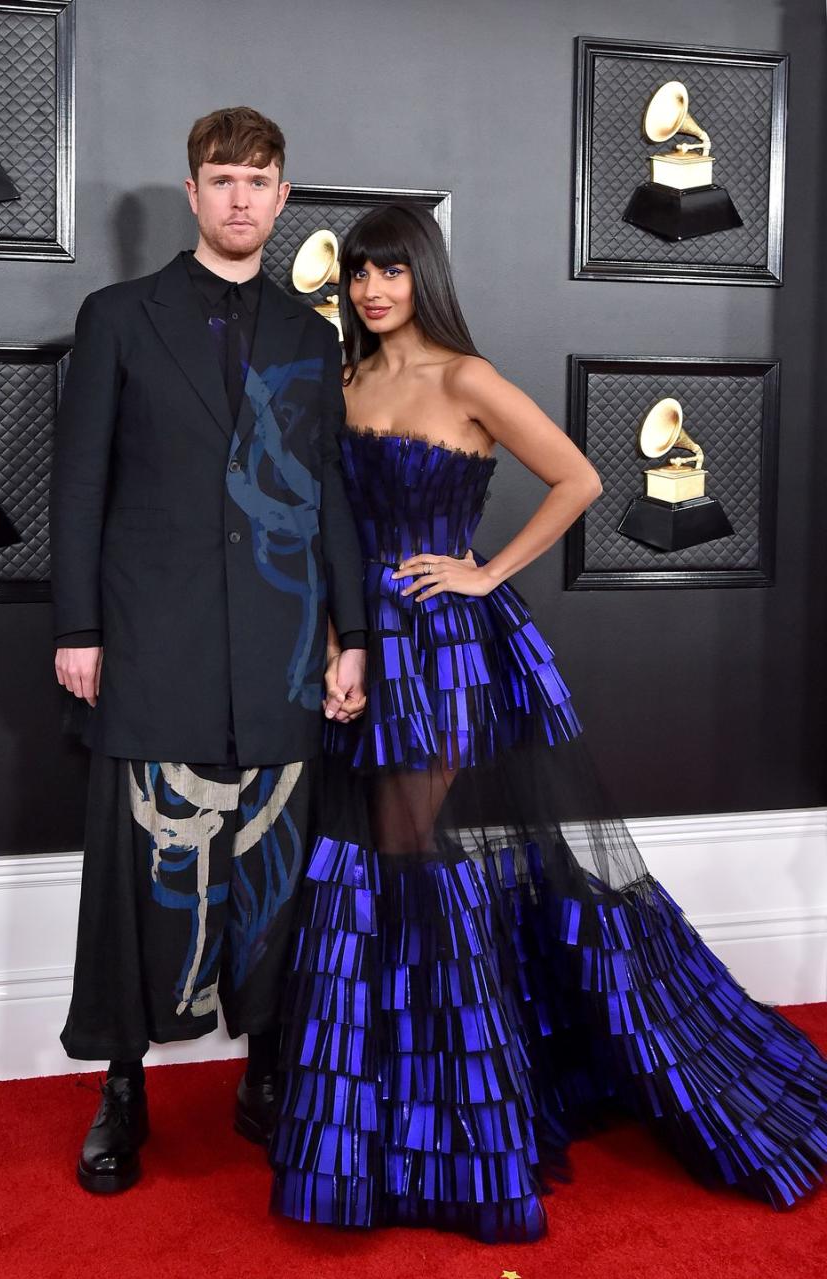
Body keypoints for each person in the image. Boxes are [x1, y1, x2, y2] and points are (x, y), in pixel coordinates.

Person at [269, 202, 827, 1242]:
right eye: (358, 274)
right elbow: (328, 527)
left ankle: (452, 1131)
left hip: (444, 656)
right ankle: (396, 1117)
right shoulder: (342, 382)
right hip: (363, 650)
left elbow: (580, 478)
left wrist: (484, 574)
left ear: (422, 274)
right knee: (385, 871)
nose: (373, 290)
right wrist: (344, 639)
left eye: (391, 271)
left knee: (417, 862)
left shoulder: (466, 378)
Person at [50, 106, 367, 1195]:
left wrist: (351, 635)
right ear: (192, 192)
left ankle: (266, 1071)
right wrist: (77, 626)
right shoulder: (117, 319)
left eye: (260, 181)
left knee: (275, 871)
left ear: (284, 199)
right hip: (152, 636)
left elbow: (326, 496)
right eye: (223, 178)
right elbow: (81, 482)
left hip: (281, 646)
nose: (241, 198)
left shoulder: (311, 337)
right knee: (140, 871)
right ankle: (123, 1087)